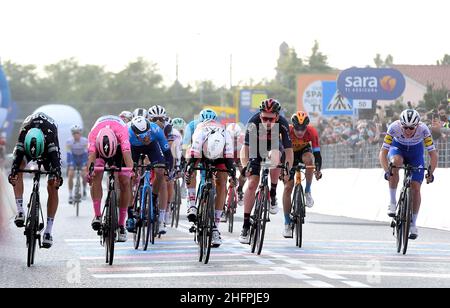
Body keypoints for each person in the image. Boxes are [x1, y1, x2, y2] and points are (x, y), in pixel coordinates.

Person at [239, 99, 294, 244]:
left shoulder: (282, 123)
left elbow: (288, 151)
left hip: (275, 145)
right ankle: (245, 225)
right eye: (264, 118)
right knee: (252, 184)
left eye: (271, 119)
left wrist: (288, 167)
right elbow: (245, 148)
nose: (267, 122)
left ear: (277, 116)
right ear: (260, 115)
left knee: (275, 157)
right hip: (256, 147)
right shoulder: (253, 121)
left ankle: (273, 193)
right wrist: (245, 166)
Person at [379, 109, 437, 240]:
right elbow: (383, 152)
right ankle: (393, 202)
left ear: (417, 125)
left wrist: (431, 172)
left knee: (416, 188)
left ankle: (413, 223)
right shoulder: (393, 127)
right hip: (397, 149)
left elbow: (433, 154)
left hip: (416, 154)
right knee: (396, 162)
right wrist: (386, 170)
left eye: (412, 128)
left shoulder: (424, 130)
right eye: (405, 127)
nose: (408, 130)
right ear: (400, 124)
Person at [8, 112, 63, 248]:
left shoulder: (50, 137)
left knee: (52, 185)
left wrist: (57, 176)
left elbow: (55, 160)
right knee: (18, 168)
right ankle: (20, 211)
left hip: (48, 151)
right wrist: (13, 172)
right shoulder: (24, 133)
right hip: (28, 145)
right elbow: (17, 158)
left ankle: (48, 231)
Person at [185, 119, 236, 247]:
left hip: (220, 155)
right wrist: (189, 172)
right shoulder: (199, 135)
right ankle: (192, 205)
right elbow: (192, 160)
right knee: (191, 170)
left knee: (222, 181)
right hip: (201, 151)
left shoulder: (227, 138)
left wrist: (233, 176)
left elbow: (229, 163)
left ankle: (215, 228)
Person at [87, 115, 134, 242]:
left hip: (119, 150)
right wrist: (89, 174)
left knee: (125, 181)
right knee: (95, 174)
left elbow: (127, 156)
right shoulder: (93, 135)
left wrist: (131, 172)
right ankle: (97, 215)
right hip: (100, 148)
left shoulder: (123, 133)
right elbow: (91, 158)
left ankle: (121, 224)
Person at [127, 116, 174, 234]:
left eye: (147, 133)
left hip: (152, 147)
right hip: (133, 149)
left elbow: (167, 153)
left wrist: (168, 169)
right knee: (129, 177)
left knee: (160, 171)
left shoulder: (155, 130)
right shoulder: (127, 133)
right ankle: (129, 213)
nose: (146, 137)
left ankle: (153, 197)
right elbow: (124, 154)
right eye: (142, 136)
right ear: (136, 134)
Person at [282, 111, 322, 238]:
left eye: (303, 128)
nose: (300, 132)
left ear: (307, 127)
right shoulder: (286, 130)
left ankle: (307, 191)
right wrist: (282, 169)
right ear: (293, 126)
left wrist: (318, 170)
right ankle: (287, 223)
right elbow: (279, 150)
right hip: (289, 154)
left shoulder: (312, 132)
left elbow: (317, 154)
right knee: (288, 187)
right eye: (297, 129)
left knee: (310, 160)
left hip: (304, 152)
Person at [184, 109, 218, 218]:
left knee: (212, 174)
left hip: (210, 151)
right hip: (195, 148)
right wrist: (187, 161)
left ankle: (210, 199)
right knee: (191, 168)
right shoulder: (192, 126)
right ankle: (192, 204)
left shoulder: (219, 127)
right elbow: (186, 144)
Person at [66, 125, 88, 204]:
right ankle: (70, 194)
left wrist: (84, 164)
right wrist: (71, 164)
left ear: (80, 133)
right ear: (72, 134)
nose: (76, 135)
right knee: (70, 174)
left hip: (82, 158)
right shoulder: (69, 141)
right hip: (74, 158)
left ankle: (84, 189)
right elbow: (69, 153)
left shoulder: (85, 141)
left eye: (77, 133)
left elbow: (86, 153)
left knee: (84, 174)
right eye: (74, 133)